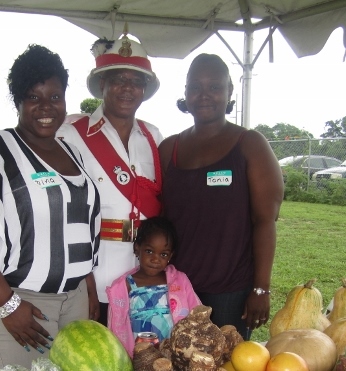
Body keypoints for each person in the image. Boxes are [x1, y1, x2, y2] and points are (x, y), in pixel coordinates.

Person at [0, 44, 101, 368]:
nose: (46, 107)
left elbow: (80, 225)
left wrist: (88, 287)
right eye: (34, 97)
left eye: (55, 97)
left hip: (75, 300)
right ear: (18, 101)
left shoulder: (72, 152)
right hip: (21, 302)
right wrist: (7, 305)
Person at [159, 54, 284, 339]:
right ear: (186, 93)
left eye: (214, 86)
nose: (204, 95)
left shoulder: (250, 145)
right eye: (195, 87)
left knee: (226, 363)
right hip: (178, 288)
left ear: (229, 92)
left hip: (231, 292)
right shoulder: (169, 149)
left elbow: (265, 221)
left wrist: (261, 288)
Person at [56, 30, 164, 326]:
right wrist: (85, 280)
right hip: (97, 271)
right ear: (102, 83)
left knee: (145, 353)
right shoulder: (70, 134)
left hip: (147, 270)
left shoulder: (153, 136)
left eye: (136, 81)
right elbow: (66, 214)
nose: (127, 89)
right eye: (118, 79)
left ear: (144, 89)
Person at [106, 216, 201, 357]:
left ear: (170, 256)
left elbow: (197, 314)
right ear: (137, 248)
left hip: (174, 353)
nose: (155, 259)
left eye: (163, 254)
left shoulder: (179, 281)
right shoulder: (124, 286)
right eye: (149, 251)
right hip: (139, 356)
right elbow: (115, 325)